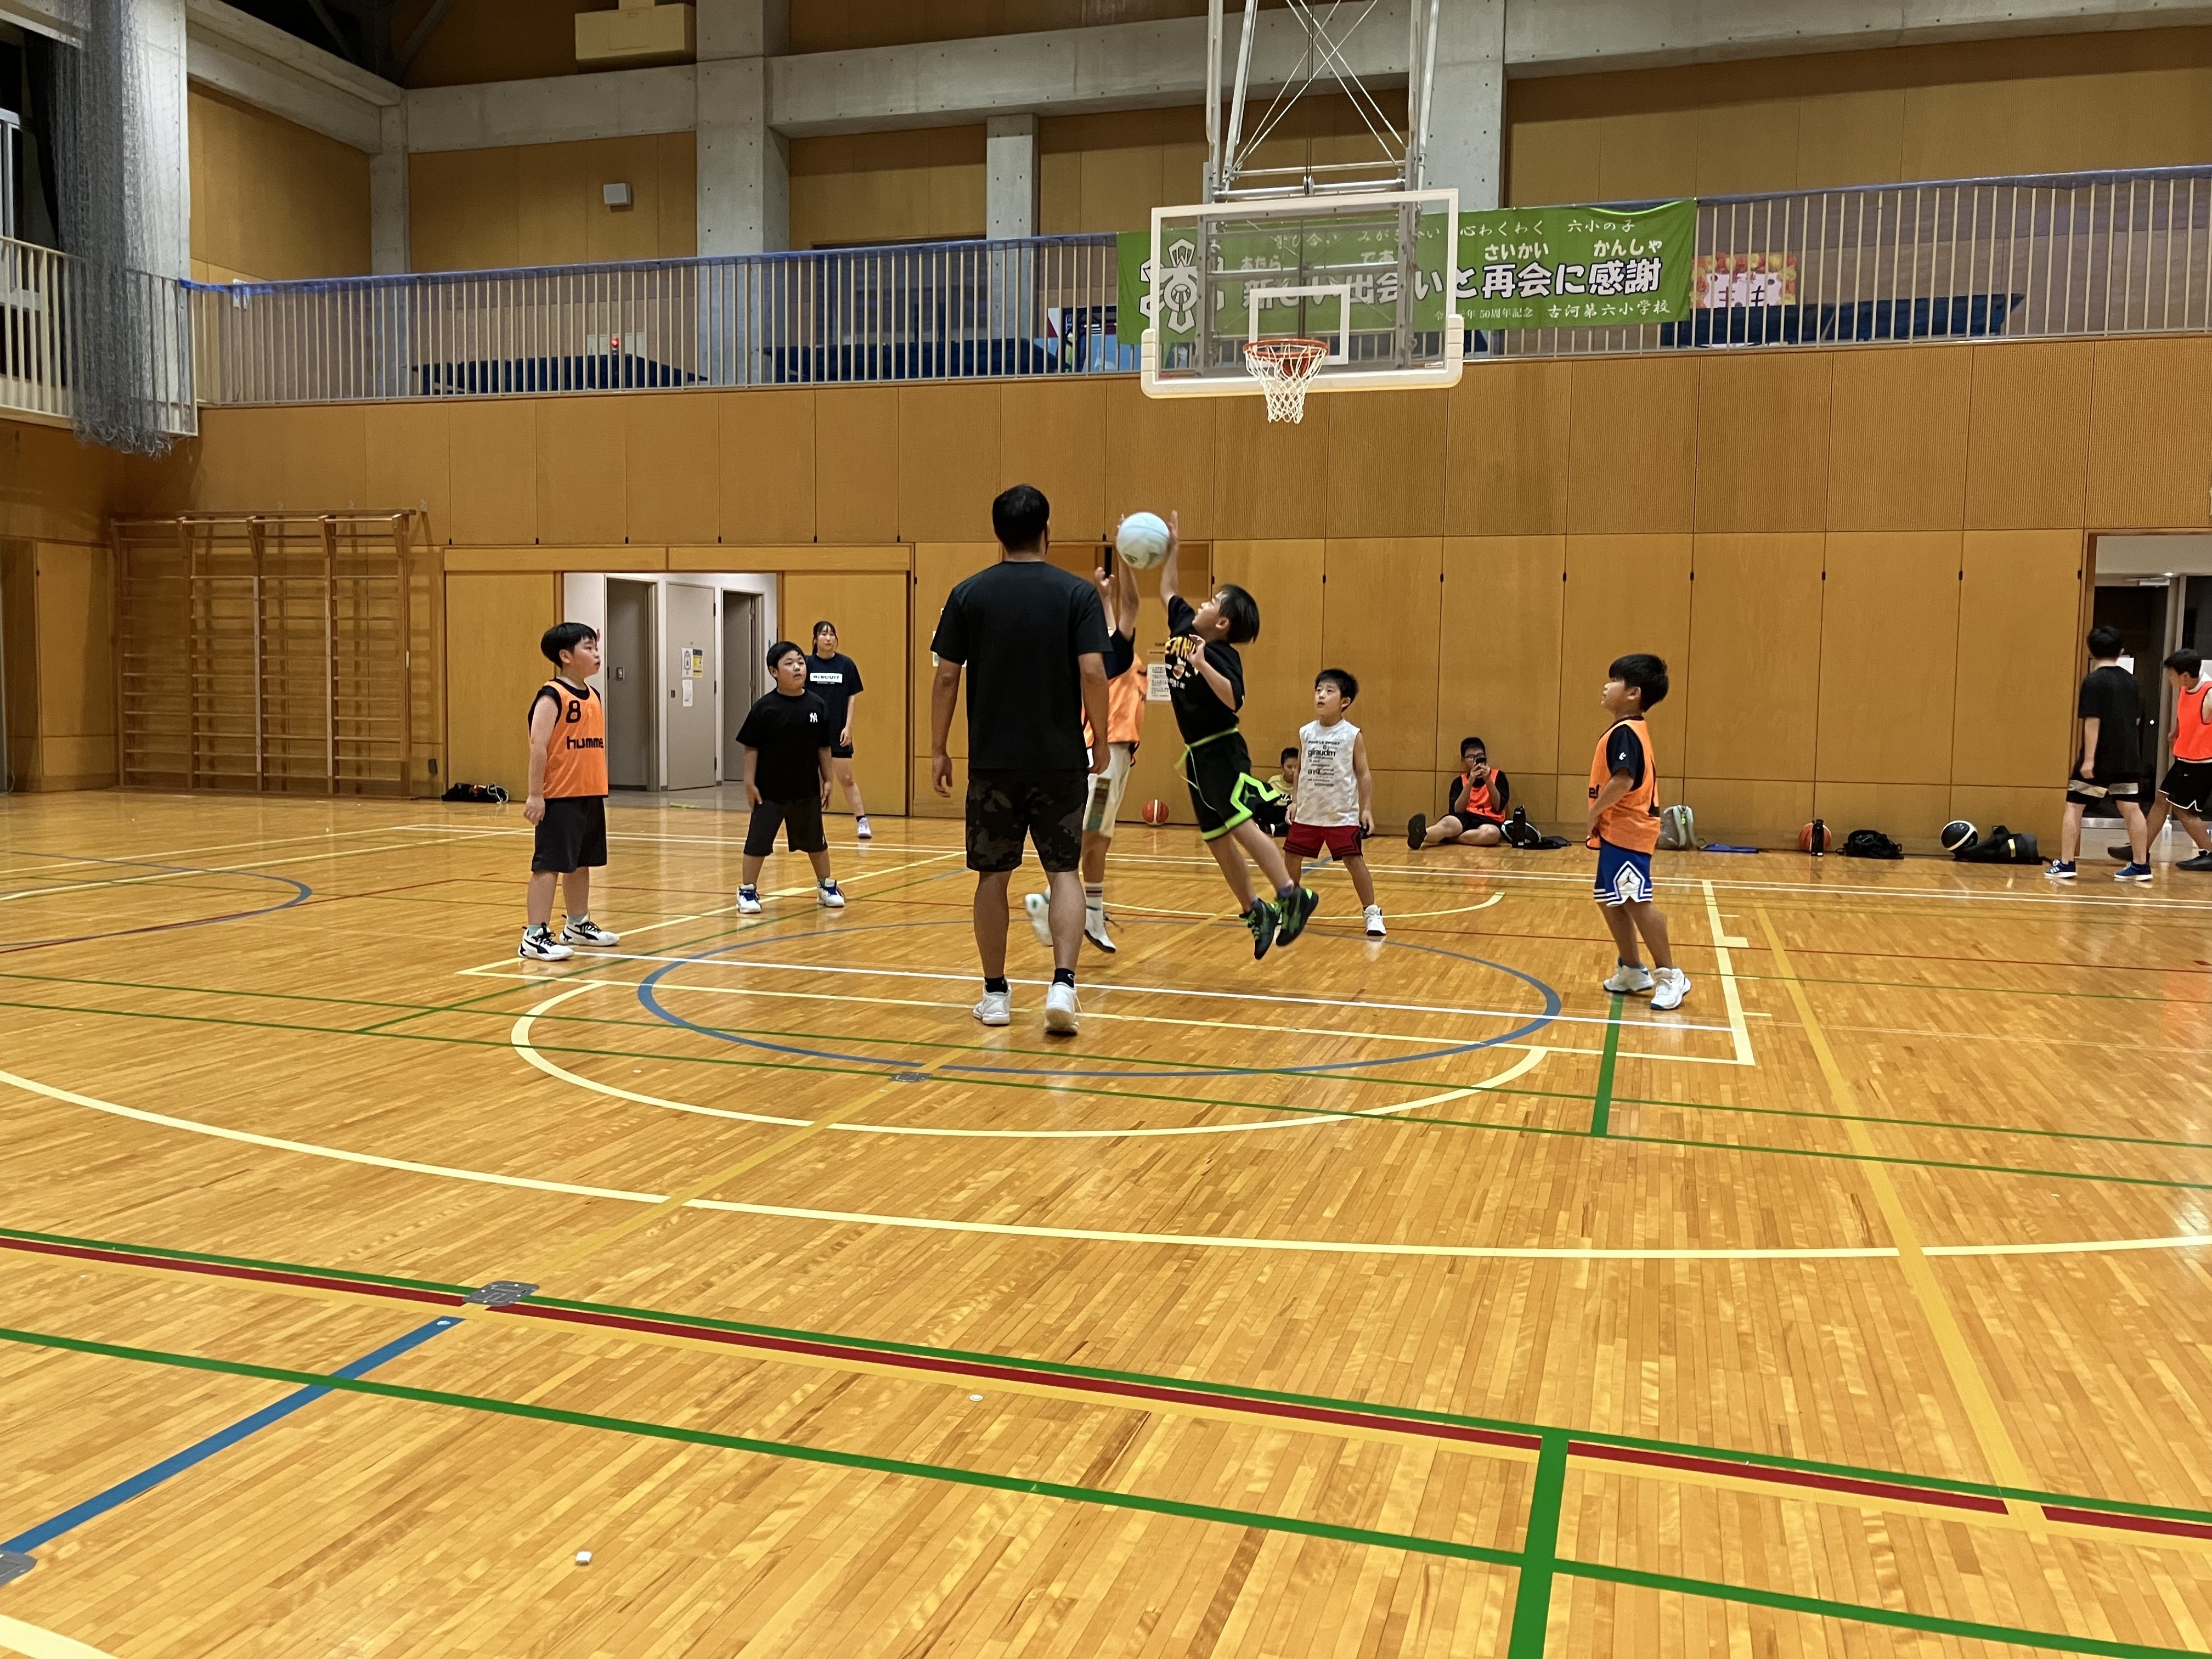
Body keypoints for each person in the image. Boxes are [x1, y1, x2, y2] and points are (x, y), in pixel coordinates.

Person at [930, 483, 1111, 1035]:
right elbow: (1093, 671)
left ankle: (995, 995)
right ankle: (1063, 985)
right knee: (1064, 872)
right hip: (1060, 761)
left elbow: (946, 677)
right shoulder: (1077, 595)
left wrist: (938, 747)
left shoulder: (968, 594)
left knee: (993, 876)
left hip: (993, 764)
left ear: (997, 534)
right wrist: (1102, 739)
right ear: (1047, 531)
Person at [1157, 516, 1318, 958]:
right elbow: (1167, 590)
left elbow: (1235, 700)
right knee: (1215, 837)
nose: (1203, 602)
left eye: (1213, 601)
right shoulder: (1184, 625)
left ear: (1224, 622)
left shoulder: (1221, 653)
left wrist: (1203, 664)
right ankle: (1256, 910)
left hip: (1221, 750)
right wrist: (1172, 548)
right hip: (1195, 756)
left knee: (1240, 823)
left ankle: (1292, 895)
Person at [1030, 549, 1146, 953]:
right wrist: (1128, 559)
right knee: (1091, 831)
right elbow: (1132, 605)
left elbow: (1113, 618)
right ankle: (1049, 901)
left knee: (1101, 839)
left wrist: (1103, 593)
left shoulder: (1108, 651)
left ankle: (1093, 914)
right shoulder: (1110, 655)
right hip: (1106, 754)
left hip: (1120, 757)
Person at [1587, 653, 1687, 1011]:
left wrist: (1594, 812)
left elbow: (1623, 779)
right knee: (1609, 898)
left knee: (1635, 901)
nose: (1606, 685)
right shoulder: (1627, 730)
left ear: (1633, 693)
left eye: (1615, 680)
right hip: (1617, 832)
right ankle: (1631, 969)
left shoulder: (1626, 733)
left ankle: (1670, 975)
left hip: (1629, 830)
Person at [519, 622, 621, 961]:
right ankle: (534, 935)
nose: (596, 654)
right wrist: (536, 795)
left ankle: (577, 924)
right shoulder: (552, 695)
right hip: (559, 795)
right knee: (549, 865)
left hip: (589, 792)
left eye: (596, 647)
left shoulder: (593, 695)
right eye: (588, 648)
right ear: (565, 656)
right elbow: (538, 747)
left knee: (581, 862)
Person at [735, 640, 845, 914]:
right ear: (774, 671)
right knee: (758, 842)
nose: (797, 668)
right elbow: (751, 747)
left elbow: (823, 747)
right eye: (789, 663)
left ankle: (826, 886)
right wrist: (749, 783)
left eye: (800, 662)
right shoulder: (765, 708)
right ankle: (747, 891)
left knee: (816, 841)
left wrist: (828, 779)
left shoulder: (817, 705)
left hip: (806, 789)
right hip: (769, 791)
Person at [1285, 668, 1384, 938]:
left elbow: (1364, 773)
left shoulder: (1352, 734)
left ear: (1344, 702)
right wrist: (1295, 801)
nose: (1321, 695)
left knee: (1354, 860)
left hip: (1341, 814)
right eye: (1318, 690)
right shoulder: (1306, 732)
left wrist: (1366, 808)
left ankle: (1372, 912)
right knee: (1292, 857)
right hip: (1308, 811)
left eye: (1329, 691)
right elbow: (1300, 770)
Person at [2051, 624, 2150, 881]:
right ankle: (2141, 865)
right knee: (2132, 807)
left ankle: (2066, 863)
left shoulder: (2093, 681)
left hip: (2100, 757)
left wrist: (2089, 760)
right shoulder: (2131, 681)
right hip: (2128, 755)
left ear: (2090, 652)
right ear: (2121, 651)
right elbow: (2136, 720)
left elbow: (2093, 721)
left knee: (2075, 805)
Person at [2105, 648, 2212, 872]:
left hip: (2202, 764)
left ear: (2185, 675)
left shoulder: (2209, 692)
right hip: (2185, 760)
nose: (2169, 678)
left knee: (2185, 812)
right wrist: (2176, 733)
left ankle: (2209, 852)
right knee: (2161, 801)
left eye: (2171, 674)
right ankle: (2140, 848)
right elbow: (2188, 716)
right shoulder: (2187, 689)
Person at [805, 621, 871, 840]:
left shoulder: (846, 665)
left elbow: (852, 698)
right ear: (815, 639)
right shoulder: (807, 664)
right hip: (813, 731)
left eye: (832, 634)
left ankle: (862, 821)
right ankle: (812, 823)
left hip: (838, 731)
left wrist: (848, 726)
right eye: (824, 634)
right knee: (812, 780)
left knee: (847, 778)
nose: (828, 638)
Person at [1408, 737, 1513, 849]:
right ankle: (1421, 834)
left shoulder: (1498, 776)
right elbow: (1457, 811)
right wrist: (1470, 782)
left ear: (1485, 756)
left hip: (1490, 820)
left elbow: (1498, 807)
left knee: (1492, 834)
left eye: (1479, 756)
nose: (1475, 761)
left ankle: (1451, 839)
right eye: (1471, 757)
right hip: (1465, 818)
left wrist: (1488, 780)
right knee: (1447, 823)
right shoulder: (1459, 782)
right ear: (1464, 760)